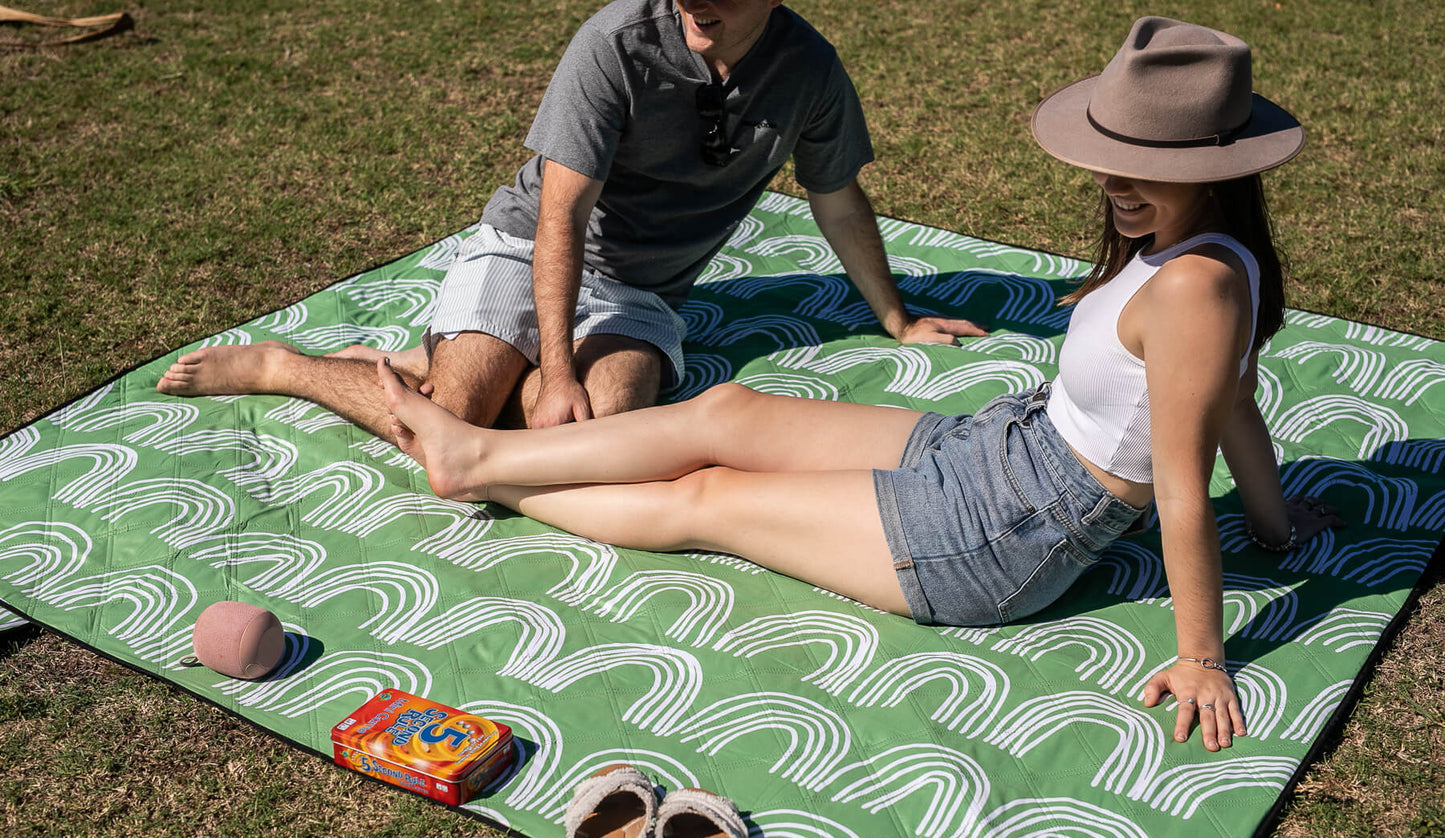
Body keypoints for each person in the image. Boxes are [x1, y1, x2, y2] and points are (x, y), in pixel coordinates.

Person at [373, 16, 1343, 751]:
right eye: (1109, 165)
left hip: (1002, 538)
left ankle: (484, 474)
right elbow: (1236, 402)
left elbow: (1180, 484)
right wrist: (1271, 525)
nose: (1116, 187)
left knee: (707, 499)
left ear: (1215, 168)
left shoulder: (1199, 287)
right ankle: (480, 447)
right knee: (721, 411)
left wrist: (1202, 657)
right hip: (1001, 448)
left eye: (1143, 169)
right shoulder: (1201, 249)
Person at [155, 0, 983, 432]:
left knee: (599, 432)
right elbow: (559, 218)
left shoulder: (809, 69)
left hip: (641, 294)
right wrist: (555, 371)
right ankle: (284, 368)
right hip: (529, 249)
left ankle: (444, 357)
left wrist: (896, 318)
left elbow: (836, 198)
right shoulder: (612, 44)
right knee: (453, 419)